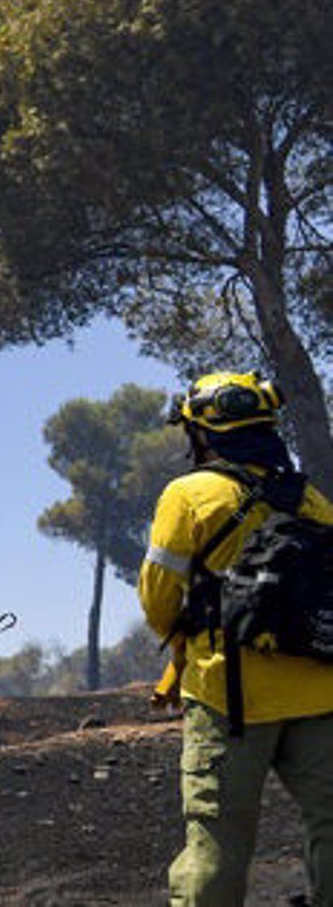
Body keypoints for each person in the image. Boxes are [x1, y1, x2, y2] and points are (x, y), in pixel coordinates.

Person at [140, 370, 333, 905]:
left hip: (230, 698)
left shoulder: (189, 495)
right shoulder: (311, 500)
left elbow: (159, 599)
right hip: (321, 697)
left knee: (216, 844)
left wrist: (182, 645)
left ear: (200, 433)